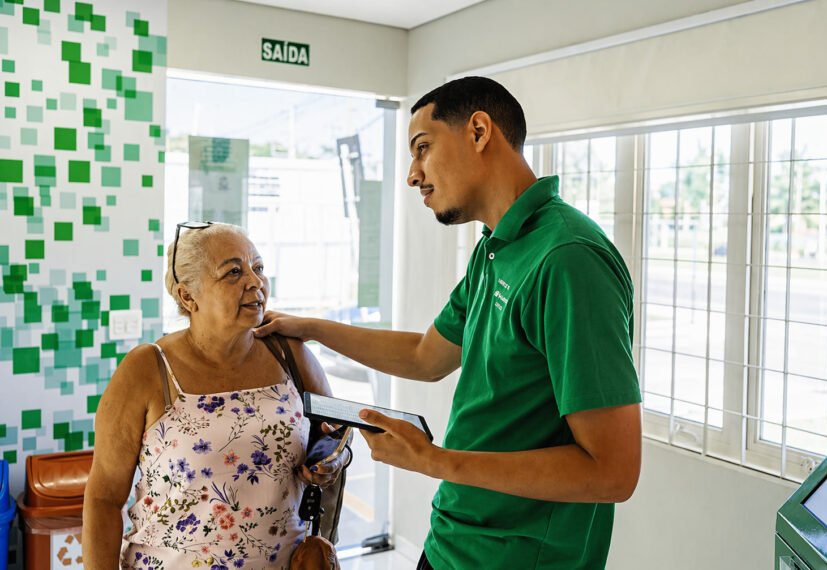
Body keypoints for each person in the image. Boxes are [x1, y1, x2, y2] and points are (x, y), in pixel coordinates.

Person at [256, 76, 642, 569]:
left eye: (422, 149)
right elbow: (426, 355)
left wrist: (433, 460)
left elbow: (612, 472)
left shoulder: (569, 259)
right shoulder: (497, 247)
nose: (413, 175)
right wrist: (312, 328)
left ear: (479, 131)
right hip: (453, 540)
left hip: (520, 558)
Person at [83, 222, 349, 569]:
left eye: (259, 268)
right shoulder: (147, 369)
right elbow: (103, 499)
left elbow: (336, 433)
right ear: (187, 296)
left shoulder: (290, 355)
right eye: (233, 272)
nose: (255, 282)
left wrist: (329, 461)